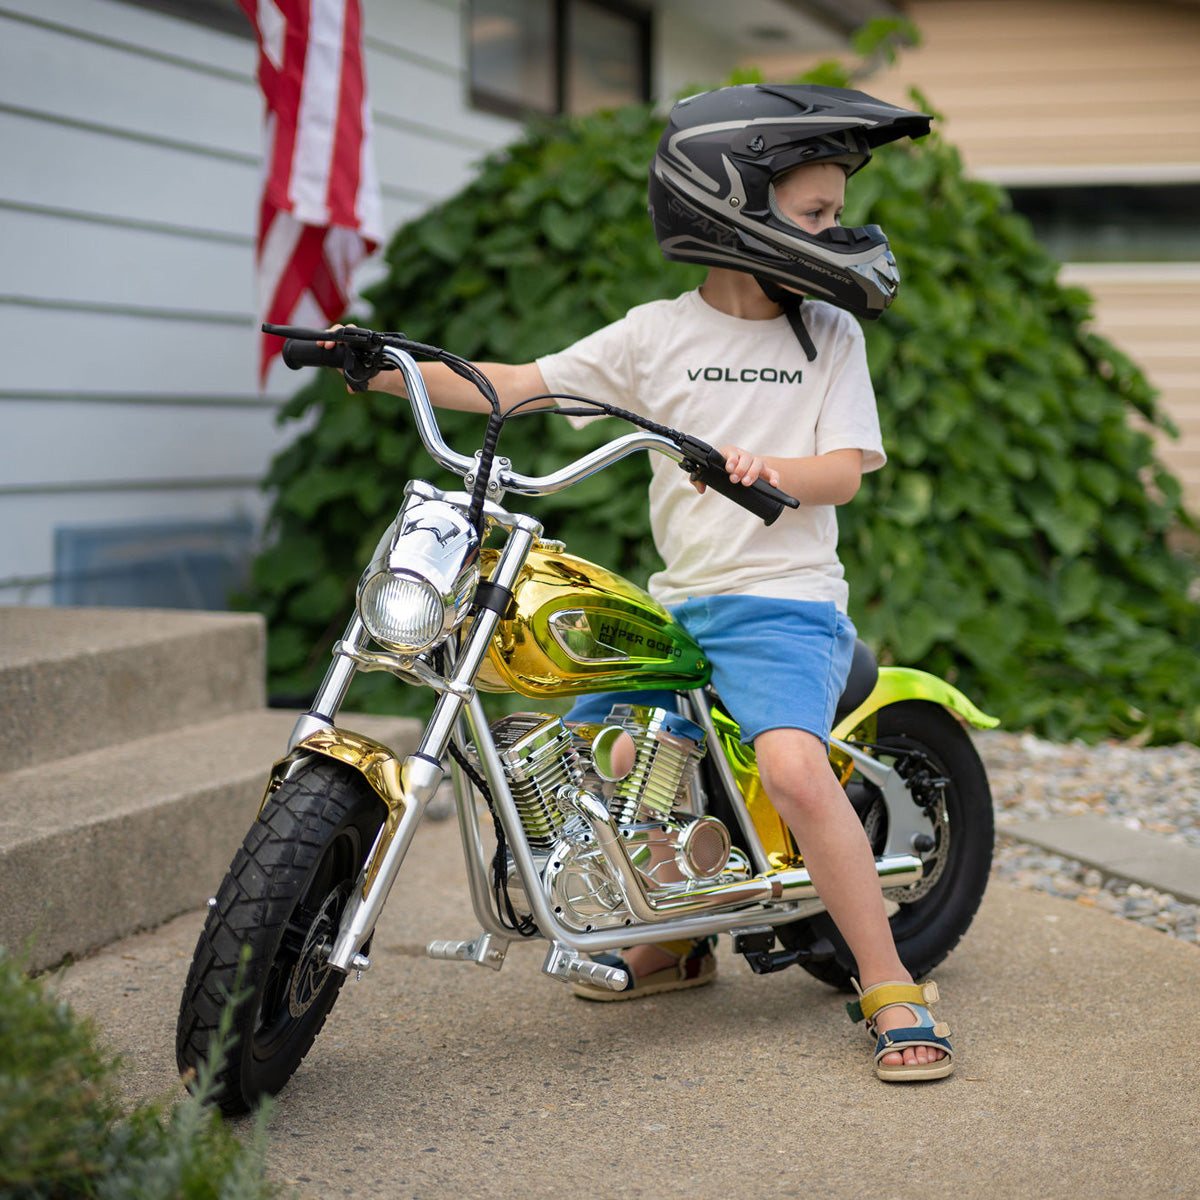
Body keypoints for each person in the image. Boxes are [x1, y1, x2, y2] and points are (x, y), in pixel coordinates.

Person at [342, 83, 953, 1083]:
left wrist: (772, 474)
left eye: (834, 215)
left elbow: (843, 468)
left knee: (797, 771)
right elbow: (522, 385)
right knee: (608, 758)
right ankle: (676, 940)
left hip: (786, 605)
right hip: (682, 603)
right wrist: (384, 367)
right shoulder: (653, 337)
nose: (834, 231)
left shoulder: (828, 337)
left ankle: (888, 983)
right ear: (733, 206)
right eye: (815, 214)